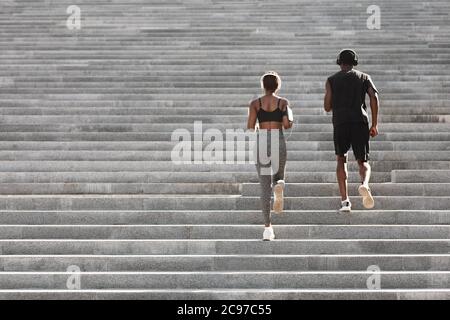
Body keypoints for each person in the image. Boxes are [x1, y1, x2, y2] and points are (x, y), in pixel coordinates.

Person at [324, 49, 380, 213]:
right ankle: (364, 185)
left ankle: (345, 201)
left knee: (341, 159)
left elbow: (327, 107)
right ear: (354, 62)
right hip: (360, 121)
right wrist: (375, 124)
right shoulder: (364, 77)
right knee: (363, 161)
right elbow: (374, 97)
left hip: (340, 122)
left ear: (339, 62)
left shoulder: (331, 80)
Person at [247, 71, 293, 241]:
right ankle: (279, 184)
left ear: (263, 86)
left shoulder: (255, 103)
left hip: (261, 141)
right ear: (277, 86)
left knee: (264, 187)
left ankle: (268, 228)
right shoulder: (283, 103)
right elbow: (287, 125)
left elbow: (251, 125)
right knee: (279, 175)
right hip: (278, 139)